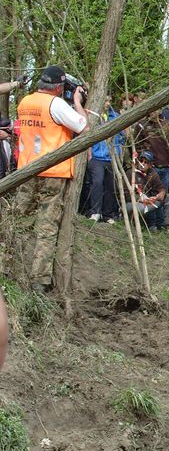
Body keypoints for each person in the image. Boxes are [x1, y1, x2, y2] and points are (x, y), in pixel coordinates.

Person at [16, 65, 89, 293]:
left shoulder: (25, 102)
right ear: (58, 87)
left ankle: (9, 266)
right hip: (52, 171)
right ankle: (39, 279)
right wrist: (77, 102)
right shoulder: (56, 104)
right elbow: (84, 127)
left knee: (20, 221)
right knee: (46, 227)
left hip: (26, 170)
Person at [87, 95, 125, 223]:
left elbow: (123, 137)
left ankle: (107, 214)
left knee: (110, 186)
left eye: (109, 100)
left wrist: (119, 151)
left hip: (111, 157)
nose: (107, 103)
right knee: (97, 182)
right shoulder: (94, 116)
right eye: (105, 100)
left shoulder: (115, 116)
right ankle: (95, 212)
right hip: (97, 156)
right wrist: (89, 153)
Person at [125, 151, 169, 230]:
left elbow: (160, 187)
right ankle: (149, 225)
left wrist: (161, 193)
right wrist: (140, 199)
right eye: (141, 161)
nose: (142, 163)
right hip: (133, 202)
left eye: (146, 162)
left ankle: (168, 226)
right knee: (144, 207)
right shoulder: (131, 173)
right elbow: (125, 194)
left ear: (150, 165)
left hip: (148, 199)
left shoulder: (153, 174)